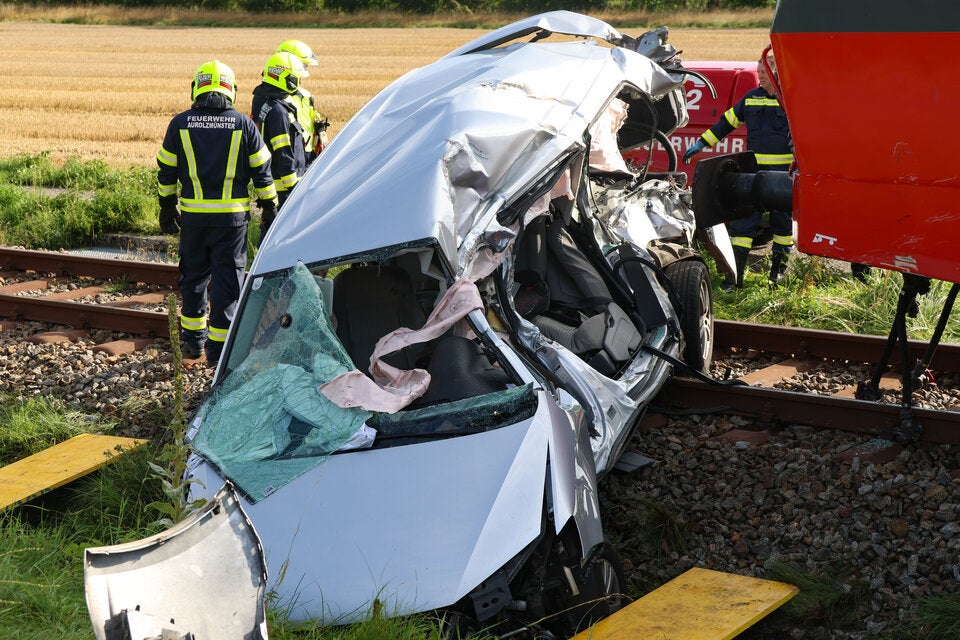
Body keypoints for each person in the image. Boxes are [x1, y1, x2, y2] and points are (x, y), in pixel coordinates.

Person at [157, 60, 277, 364]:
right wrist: (270, 207)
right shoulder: (243, 125)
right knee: (228, 286)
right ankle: (218, 354)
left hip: (194, 220)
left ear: (197, 87)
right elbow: (263, 172)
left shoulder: (179, 124)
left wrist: (166, 208)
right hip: (232, 222)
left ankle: (193, 344)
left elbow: (166, 172)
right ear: (231, 90)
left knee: (193, 281)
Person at [683, 51, 794, 290]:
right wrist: (702, 143)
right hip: (753, 177)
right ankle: (734, 278)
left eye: (764, 73)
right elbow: (726, 123)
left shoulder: (791, 100)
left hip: (783, 179)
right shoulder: (751, 99)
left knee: (783, 229)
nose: (760, 77)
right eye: (759, 72)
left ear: (777, 73)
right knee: (742, 229)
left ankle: (778, 276)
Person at [251, 51, 309, 242]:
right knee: (279, 241)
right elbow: (283, 154)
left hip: (277, 188)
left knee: (273, 237)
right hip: (284, 190)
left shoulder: (272, 105)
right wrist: (294, 190)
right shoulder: (278, 112)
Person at [275, 39, 330, 165]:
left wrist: (320, 131)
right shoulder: (275, 99)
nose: (304, 70)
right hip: (290, 157)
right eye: (303, 65)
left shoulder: (306, 95)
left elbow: (311, 119)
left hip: (308, 156)